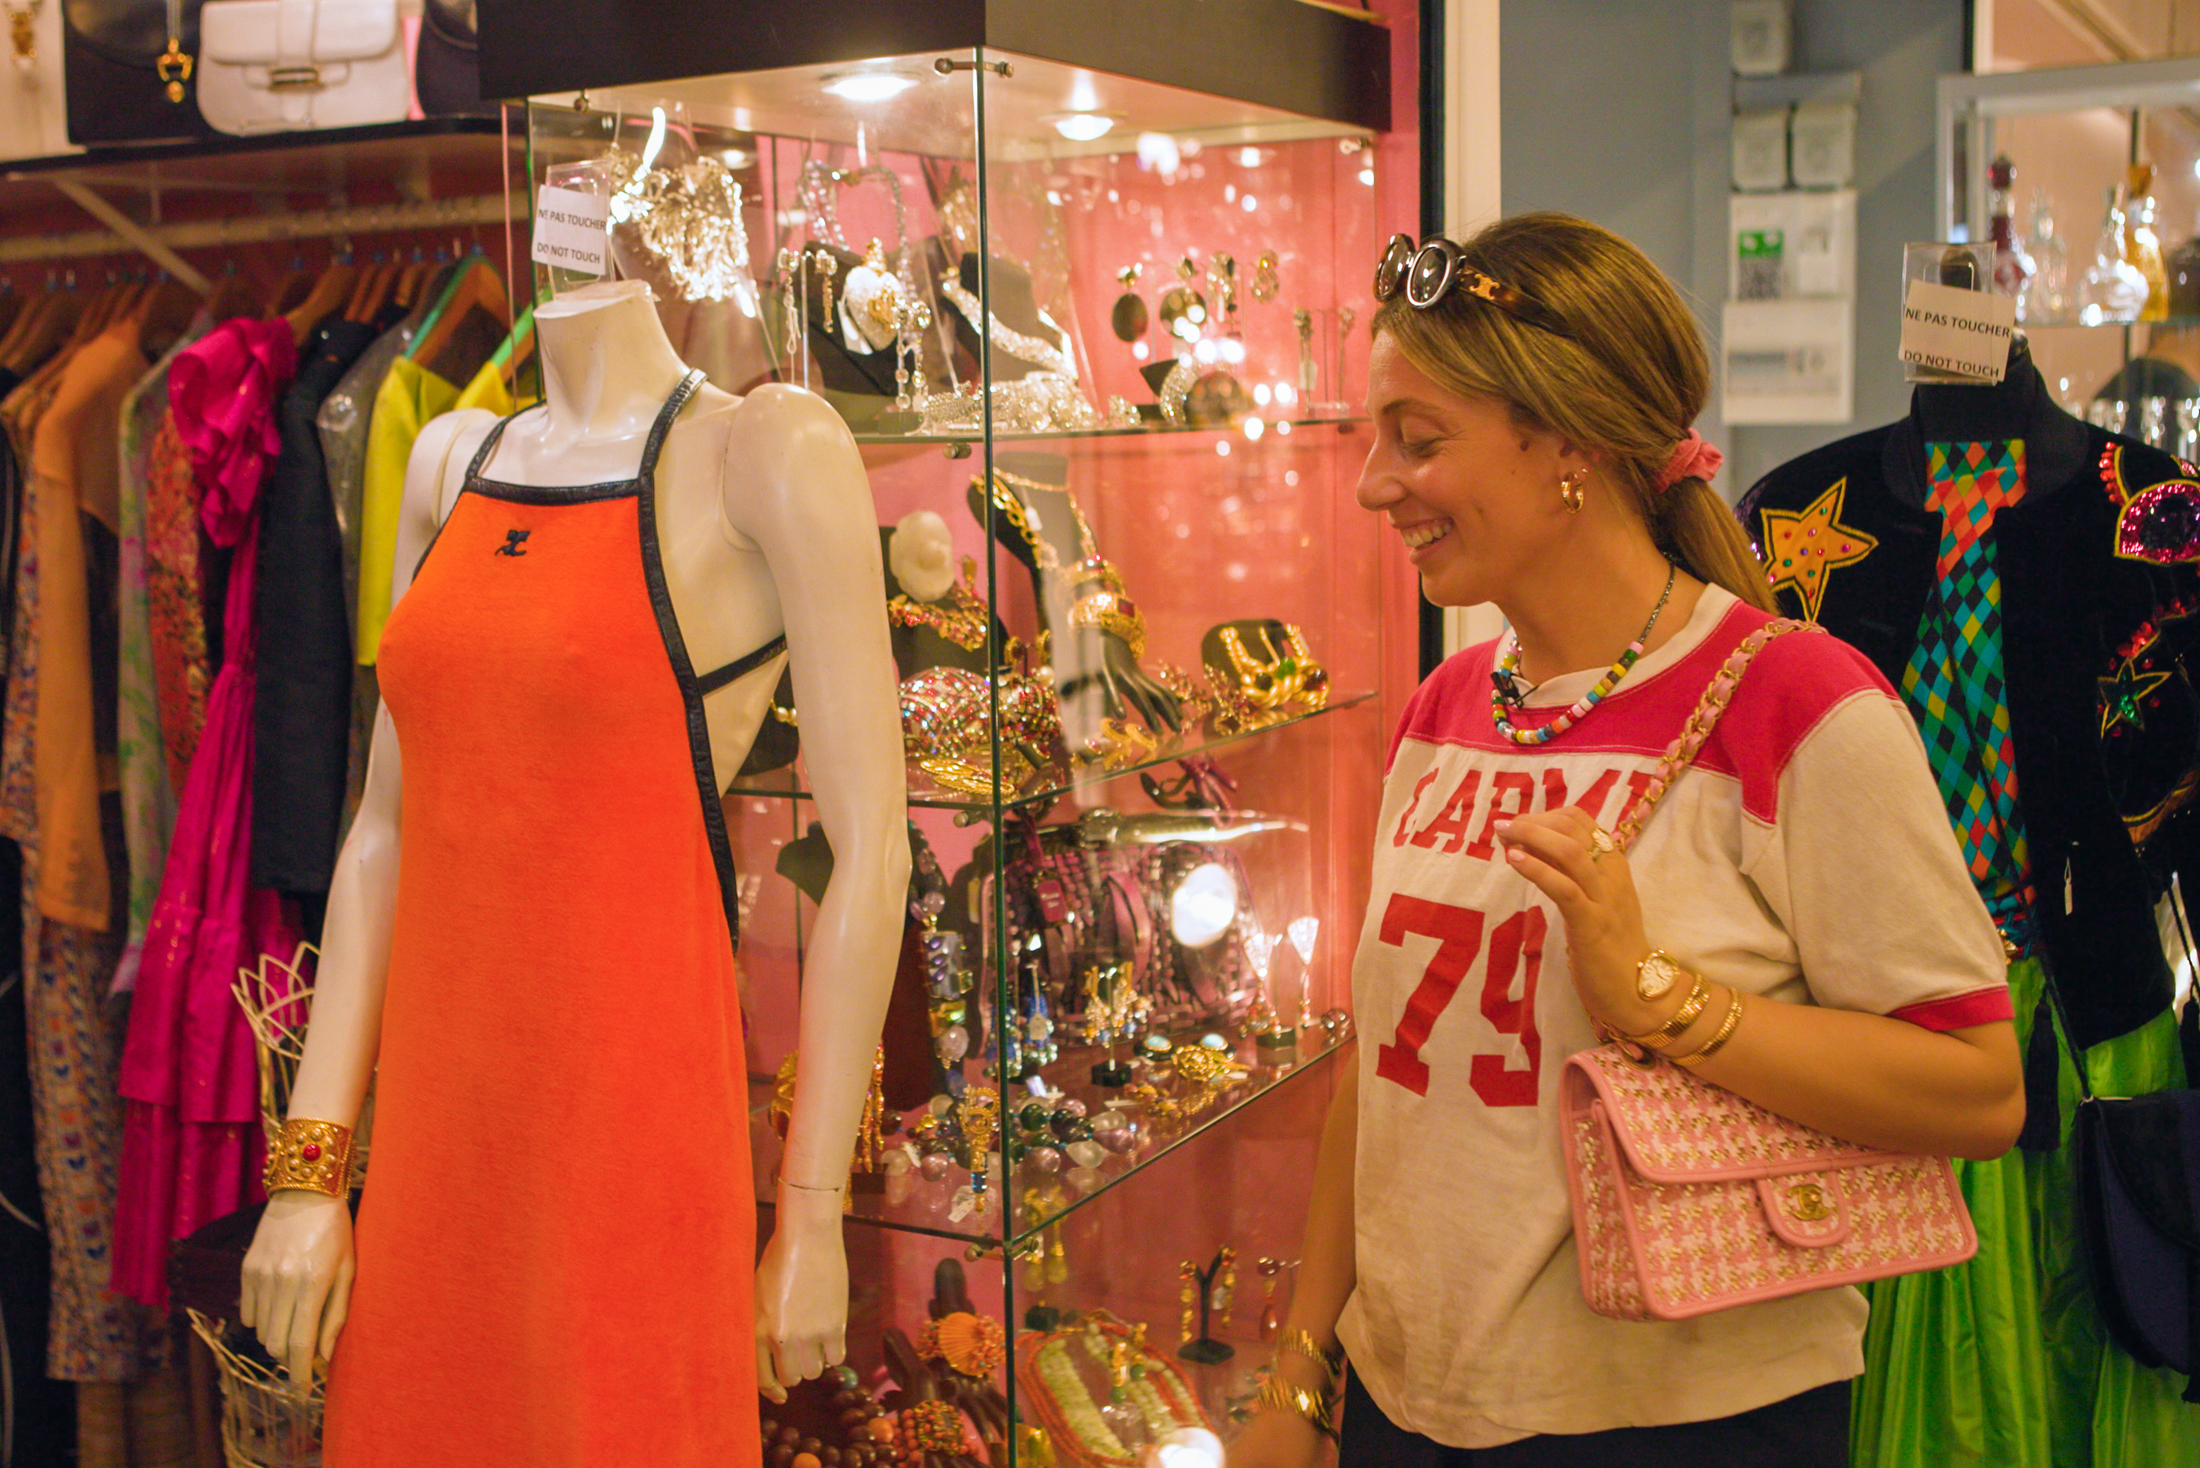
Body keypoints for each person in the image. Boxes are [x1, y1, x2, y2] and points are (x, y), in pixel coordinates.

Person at [1232, 214, 2026, 1468]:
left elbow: (1977, 1086)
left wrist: (1658, 996)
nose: (1375, 483)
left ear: (1568, 444)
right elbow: (1378, 1081)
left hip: (1678, 1421)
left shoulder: (1800, 704)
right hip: (1408, 1405)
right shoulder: (1449, 706)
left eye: (1417, 440)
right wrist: (1296, 1371)